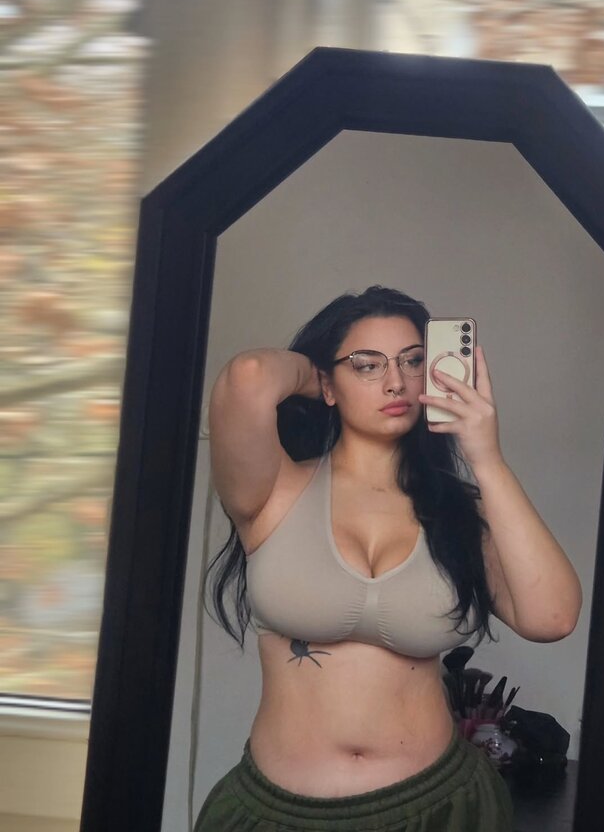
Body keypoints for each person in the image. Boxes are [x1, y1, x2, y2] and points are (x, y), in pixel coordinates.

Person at [194, 285, 582, 832]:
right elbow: (249, 376)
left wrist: (486, 458)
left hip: (441, 808)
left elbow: (552, 618)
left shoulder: (461, 513)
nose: (396, 382)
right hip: (276, 813)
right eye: (367, 364)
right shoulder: (274, 491)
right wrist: (319, 375)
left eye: (413, 361)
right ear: (328, 384)